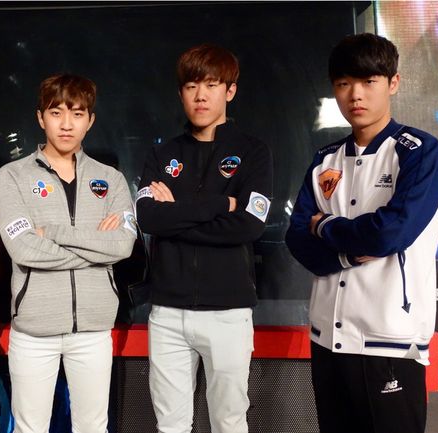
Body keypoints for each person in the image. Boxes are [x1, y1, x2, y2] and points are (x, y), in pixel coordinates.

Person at [285, 33, 438, 433]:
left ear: (393, 83)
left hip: (389, 339)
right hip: (327, 337)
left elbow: (390, 233)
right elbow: (297, 238)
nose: (355, 94)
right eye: (344, 83)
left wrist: (326, 225)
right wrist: (346, 251)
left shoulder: (420, 152)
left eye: (368, 81)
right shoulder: (325, 160)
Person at [135, 44, 273, 433]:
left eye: (211, 85)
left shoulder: (253, 152)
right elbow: (149, 217)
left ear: (230, 91)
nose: (200, 95)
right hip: (167, 312)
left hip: (228, 312)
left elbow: (249, 226)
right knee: (170, 425)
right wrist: (219, 204)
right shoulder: (162, 154)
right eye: (191, 85)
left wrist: (176, 213)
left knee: (229, 421)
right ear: (181, 92)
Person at [0, 74, 136, 433]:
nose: (67, 124)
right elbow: (22, 248)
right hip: (33, 330)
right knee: (30, 429)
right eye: (56, 113)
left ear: (90, 120)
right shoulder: (12, 176)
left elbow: (123, 245)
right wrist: (96, 248)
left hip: (93, 329)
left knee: (93, 428)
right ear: (40, 117)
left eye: (77, 113)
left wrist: (55, 233)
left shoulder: (111, 179)